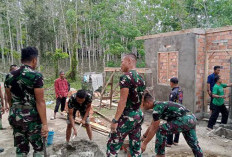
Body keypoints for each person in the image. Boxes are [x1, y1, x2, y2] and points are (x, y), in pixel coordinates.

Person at [4, 47, 48, 156]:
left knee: (21, 149)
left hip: (15, 116)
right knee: (38, 148)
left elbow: (9, 99)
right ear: (34, 60)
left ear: (21, 60)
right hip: (32, 119)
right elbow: (40, 101)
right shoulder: (36, 76)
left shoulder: (9, 76)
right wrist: (45, 124)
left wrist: (14, 112)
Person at [106, 53, 146, 157]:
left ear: (129, 61)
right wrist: (138, 113)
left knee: (112, 147)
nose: (121, 65)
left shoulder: (125, 77)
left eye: (122, 62)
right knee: (135, 148)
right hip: (138, 115)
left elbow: (122, 101)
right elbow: (141, 100)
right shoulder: (141, 78)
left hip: (126, 117)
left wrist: (115, 120)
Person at [141, 93, 203, 157]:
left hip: (184, 120)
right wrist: (144, 136)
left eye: (143, 103)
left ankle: (160, 155)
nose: (142, 106)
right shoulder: (159, 105)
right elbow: (152, 124)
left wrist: (144, 144)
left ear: (148, 102)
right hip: (191, 119)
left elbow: (154, 128)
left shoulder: (157, 108)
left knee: (160, 130)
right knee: (194, 144)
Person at [166, 77, 183, 147]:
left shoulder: (173, 92)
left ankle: (169, 142)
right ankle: (176, 141)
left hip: (173, 111)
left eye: (170, 82)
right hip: (180, 110)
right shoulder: (180, 90)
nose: (169, 84)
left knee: (170, 126)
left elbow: (170, 104)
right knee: (177, 125)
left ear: (172, 83)